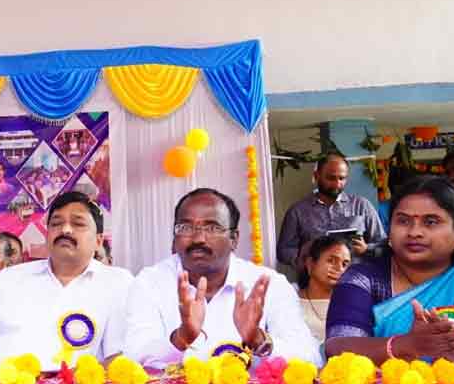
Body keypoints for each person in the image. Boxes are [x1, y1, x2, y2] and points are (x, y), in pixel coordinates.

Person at [117, 188, 322, 368]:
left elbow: (310, 357)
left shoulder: (268, 284)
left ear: (234, 239)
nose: (198, 238)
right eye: (186, 227)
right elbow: (133, 355)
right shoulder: (150, 282)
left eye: (212, 228)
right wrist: (180, 339)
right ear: (175, 236)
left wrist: (259, 340)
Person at [326, 176, 454, 369]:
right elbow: (337, 347)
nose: (414, 232)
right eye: (403, 221)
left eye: (431, 222)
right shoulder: (363, 277)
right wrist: (406, 345)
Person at [0, 192, 133, 370]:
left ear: (99, 241)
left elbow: (119, 357)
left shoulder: (118, 282)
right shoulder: (9, 279)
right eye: (56, 223)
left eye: (78, 223)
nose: (65, 230)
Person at [276, 152, 385, 270]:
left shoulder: (362, 205)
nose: (337, 184)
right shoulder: (297, 211)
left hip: (356, 281)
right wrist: (304, 256)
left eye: (342, 178)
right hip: (314, 283)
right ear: (316, 176)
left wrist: (366, 249)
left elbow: (384, 245)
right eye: (331, 178)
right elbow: (283, 251)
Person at [295, 236, 353, 341]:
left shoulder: (352, 304)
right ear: (310, 264)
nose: (339, 269)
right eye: (331, 261)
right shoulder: (290, 300)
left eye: (344, 264)